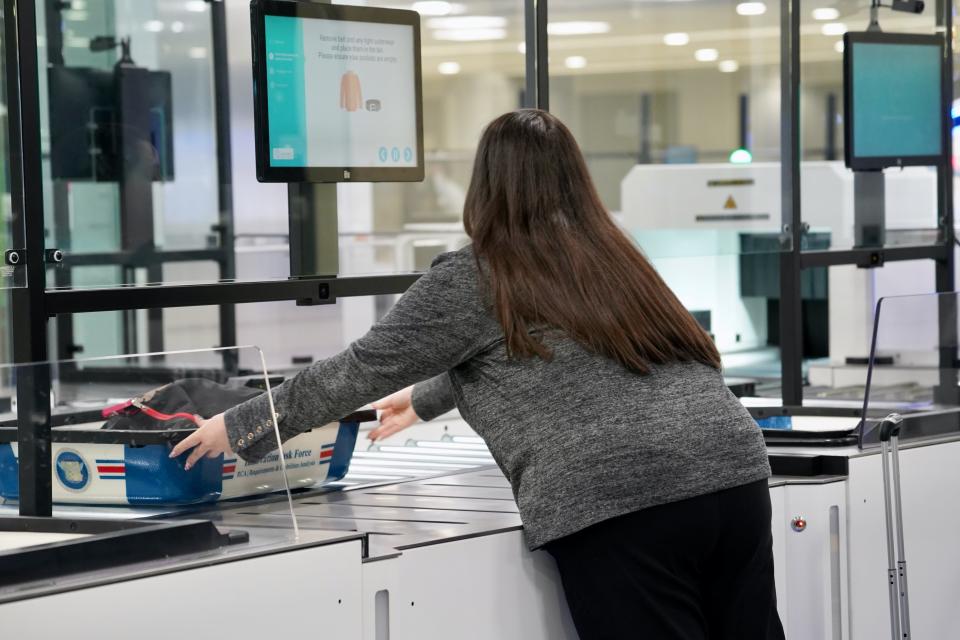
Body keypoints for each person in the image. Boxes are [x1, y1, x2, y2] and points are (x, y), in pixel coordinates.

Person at [171, 109, 784, 640]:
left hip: (623, 497)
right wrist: (429, 399)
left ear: (485, 185)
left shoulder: (475, 274)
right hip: (732, 470)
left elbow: (358, 370)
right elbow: (568, 352)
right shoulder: (614, 256)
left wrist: (243, 422)